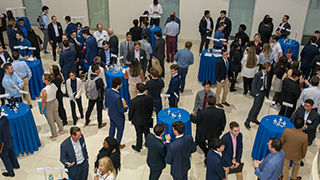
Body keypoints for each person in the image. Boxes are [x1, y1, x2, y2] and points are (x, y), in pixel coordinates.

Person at [244, 62, 271, 129]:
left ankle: (254, 118)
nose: (270, 69)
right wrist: (256, 93)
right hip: (258, 93)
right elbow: (254, 85)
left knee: (259, 107)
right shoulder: (258, 74)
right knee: (255, 107)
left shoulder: (267, 74)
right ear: (266, 68)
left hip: (263, 92)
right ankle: (247, 121)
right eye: (269, 67)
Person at [129, 83, 154, 152]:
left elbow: (131, 112)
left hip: (137, 120)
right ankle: (149, 144)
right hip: (146, 119)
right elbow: (151, 108)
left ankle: (138, 147)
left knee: (139, 134)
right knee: (147, 132)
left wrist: (130, 118)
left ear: (137, 90)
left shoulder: (133, 101)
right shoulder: (149, 98)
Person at [105, 78, 128, 148]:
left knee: (112, 127)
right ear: (118, 86)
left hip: (111, 113)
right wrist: (126, 107)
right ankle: (117, 145)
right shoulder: (117, 97)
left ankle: (109, 142)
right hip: (118, 116)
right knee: (120, 130)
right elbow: (121, 110)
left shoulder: (108, 91)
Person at [40, 74, 64, 138]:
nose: (42, 79)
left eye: (43, 78)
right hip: (55, 101)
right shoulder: (53, 85)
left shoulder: (44, 90)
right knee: (57, 116)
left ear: (46, 80)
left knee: (51, 121)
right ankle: (61, 129)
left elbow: (43, 101)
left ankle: (54, 134)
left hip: (49, 105)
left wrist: (42, 109)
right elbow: (56, 90)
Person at [85, 64, 107, 129]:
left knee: (89, 108)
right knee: (99, 111)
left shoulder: (88, 77)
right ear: (96, 71)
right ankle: (100, 124)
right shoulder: (99, 79)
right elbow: (102, 89)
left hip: (91, 96)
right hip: (99, 97)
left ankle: (87, 120)